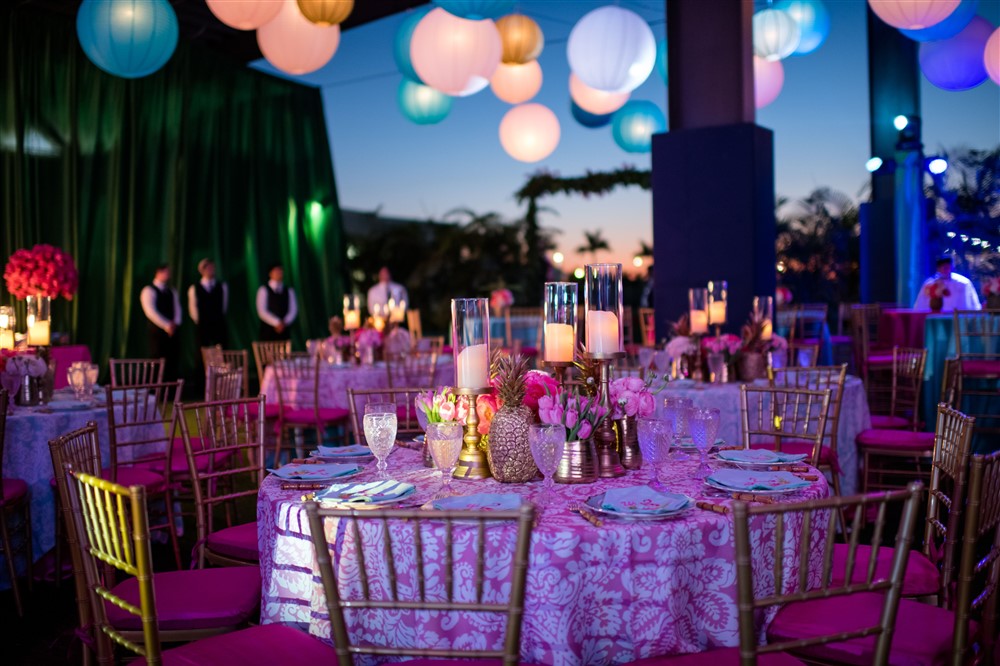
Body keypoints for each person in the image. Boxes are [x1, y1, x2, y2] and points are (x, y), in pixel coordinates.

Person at [140, 264, 182, 380]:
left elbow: (178, 309)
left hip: (173, 331)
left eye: (168, 272)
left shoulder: (172, 291)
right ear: (158, 273)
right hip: (157, 332)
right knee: (157, 359)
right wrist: (166, 325)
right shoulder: (148, 290)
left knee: (172, 359)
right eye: (165, 272)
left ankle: (172, 387)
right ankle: (155, 387)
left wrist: (175, 323)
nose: (167, 275)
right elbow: (150, 311)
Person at [913, 256, 982, 311]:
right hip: (935, 318)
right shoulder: (929, 284)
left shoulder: (963, 283)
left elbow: (974, 304)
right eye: (942, 267)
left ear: (952, 267)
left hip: (959, 318)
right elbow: (920, 304)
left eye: (947, 267)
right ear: (938, 268)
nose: (945, 269)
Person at [187, 258, 229, 350]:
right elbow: (192, 308)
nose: (211, 270)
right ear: (202, 271)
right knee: (202, 349)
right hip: (203, 325)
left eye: (212, 267)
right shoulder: (194, 288)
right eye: (208, 268)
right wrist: (200, 321)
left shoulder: (222, 286)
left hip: (218, 324)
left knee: (221, 349)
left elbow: (224, 306)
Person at [256, 263, 297, 341]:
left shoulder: (289, 291)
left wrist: (284, 322)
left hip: (284, 331)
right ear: (270, 273)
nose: (279, 273)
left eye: (280, 270)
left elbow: (293, 310)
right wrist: (276, 322)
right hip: (268, 332)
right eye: (276, 270)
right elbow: (262, 311)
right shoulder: (263, 290)